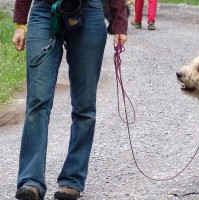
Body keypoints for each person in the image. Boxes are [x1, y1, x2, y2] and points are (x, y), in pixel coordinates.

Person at [12, 0, 127, 199]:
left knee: (84, 106)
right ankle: (30, 180)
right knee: (37, 101)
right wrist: (21, 23)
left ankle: (72, 179)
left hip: (89, 11)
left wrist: (119, 22)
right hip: (43, 11)